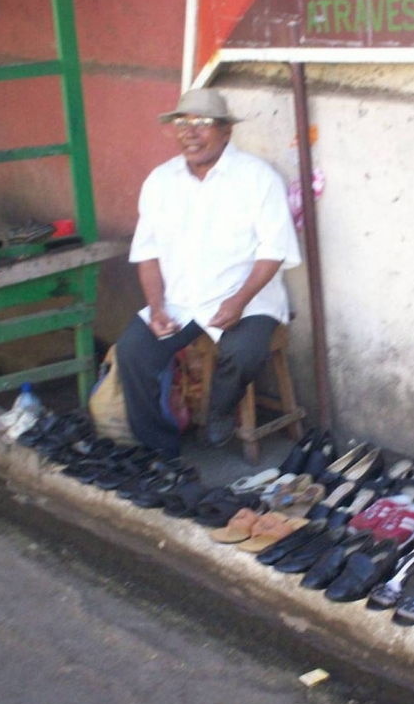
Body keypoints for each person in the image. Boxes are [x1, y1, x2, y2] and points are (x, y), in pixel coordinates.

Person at [115, 88, 300, 458]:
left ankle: (221, 410)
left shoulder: (257, 178)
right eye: (182, 123)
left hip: (247, 299)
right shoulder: (160, 181)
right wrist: (156, 307)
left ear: (226, 132)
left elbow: (273, 251)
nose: (190, 132)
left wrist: (238, 301)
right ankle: (159, 448)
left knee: (244, 351)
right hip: (180, 300)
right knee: (133, 351)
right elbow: (147, 253)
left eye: (202, 124)